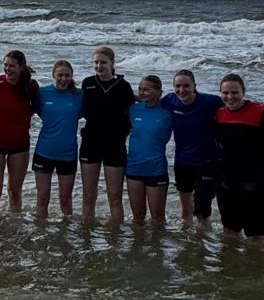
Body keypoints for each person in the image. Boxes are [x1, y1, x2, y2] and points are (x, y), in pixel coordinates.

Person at [79, 46, 134, 225]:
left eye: (103, 62)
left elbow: (132, 113)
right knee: (89, 195)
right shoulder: (87, 83)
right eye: (96, 62)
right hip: (90, 143)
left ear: (112, 63)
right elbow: (80, 107)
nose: (99, 66)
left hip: (115, 146)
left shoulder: (123, 86)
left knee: (115, 197)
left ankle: (115, 236)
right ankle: (86, 233)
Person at [214, 73, 264, 243]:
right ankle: (232, 260)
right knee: (229, 231)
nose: (230, 97)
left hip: (255, 180)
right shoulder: (218, 114)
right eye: (225, 93)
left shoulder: (260, 112)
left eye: (235, 92)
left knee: (255, 234)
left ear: (243, 92)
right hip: (227, 179)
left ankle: (257, 261)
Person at [162, 69, 222, 228]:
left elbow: (235, 105)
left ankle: (203, 240)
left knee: (202, 212)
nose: (182, 90)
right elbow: (150, 99)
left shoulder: (210, 102)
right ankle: (187, 240)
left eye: (186, 85)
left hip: (208, 162)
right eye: (177, 86)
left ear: (195, 86)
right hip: (182, 161)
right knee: (186, 210)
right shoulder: (169, 100)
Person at [0, 50, 39, 214]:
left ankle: (15, 227)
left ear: (22, 67)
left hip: (19, 144)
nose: (8, 69)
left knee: (15, 193)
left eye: (12, 66)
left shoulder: (32, 86)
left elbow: (37, 109)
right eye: (6, 65)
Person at [32, 59, 83, 217]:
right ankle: (41, 230)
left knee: (65, 200)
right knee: (42, 198)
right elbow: (31, 110)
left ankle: (66, 231)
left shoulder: (79, 95)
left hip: (68, 154)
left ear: (72, 76)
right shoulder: (42, 93)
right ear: (53, 75)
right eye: (60, 75)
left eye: (67, 75)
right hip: (44, 151)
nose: (63, 79)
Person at [125, 75, 173, 224]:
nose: (142, 92)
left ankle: (157, 241)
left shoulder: (168, 113)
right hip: (133, 168)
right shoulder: (133, 110)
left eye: (146, 89)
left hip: (156, 169)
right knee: (138, 215)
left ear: (159, 92)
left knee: (158, 219)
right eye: (140, 89)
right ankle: (137, 240)